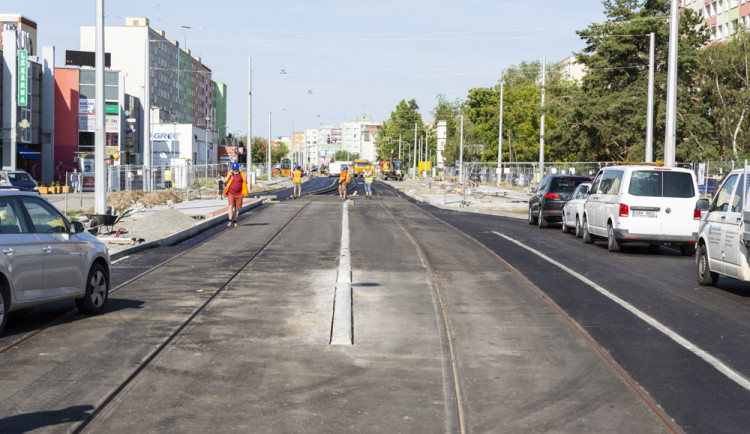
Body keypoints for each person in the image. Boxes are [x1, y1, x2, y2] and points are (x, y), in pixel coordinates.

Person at [223, 162, 248, 227]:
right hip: (231, 193)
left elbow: (245, 183)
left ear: (238, 168)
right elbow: (225, 181)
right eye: (234, 169)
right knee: (230, 206)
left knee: (237, 208)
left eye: (236, 169)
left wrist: (243, 193)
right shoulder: (230, 174)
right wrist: (229, 175)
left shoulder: (242, 174)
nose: (235, 170)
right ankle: (230, 221)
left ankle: (235, 221)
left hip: (239, 194)